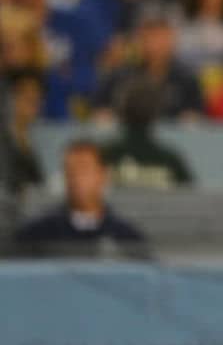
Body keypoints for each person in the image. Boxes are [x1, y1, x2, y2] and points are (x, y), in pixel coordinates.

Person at [14, 139, 146, 257]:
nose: (76, 178)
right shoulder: (36, 235)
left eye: (84, 169)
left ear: (102, 175)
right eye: (70, 170)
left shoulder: (127, 237)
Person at [99, 75, 195, 190]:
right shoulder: (170, 160)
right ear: (156, 114)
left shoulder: (103, 157)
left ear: (121, 112)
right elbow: (191, 199)